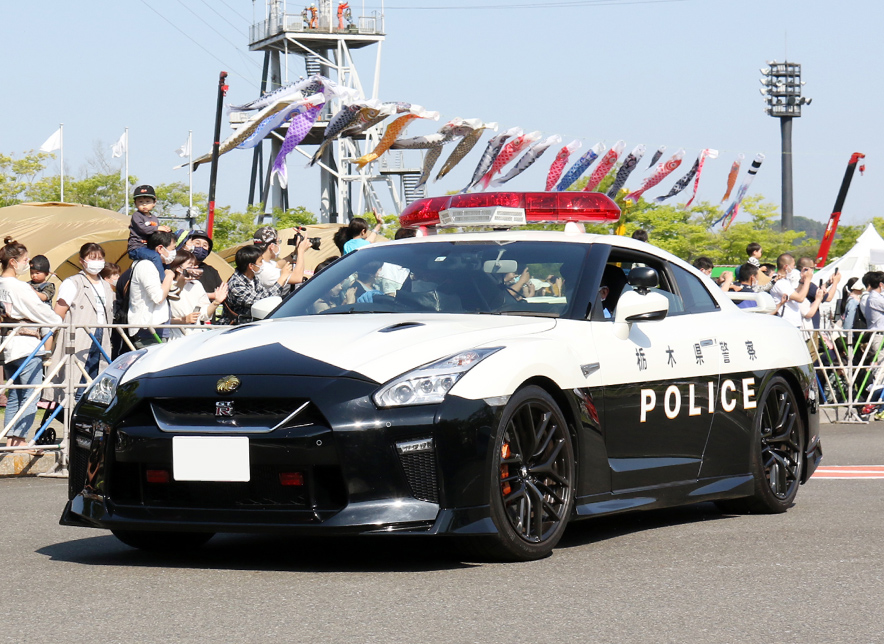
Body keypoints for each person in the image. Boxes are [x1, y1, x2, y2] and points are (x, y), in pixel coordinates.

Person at [0, 237, 63, 448]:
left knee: (15, 393)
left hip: (7, 343)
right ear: (13, 262)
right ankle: (18, 441)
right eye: (25, 259)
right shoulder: (19, 287)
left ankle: (10, 439)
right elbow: (42, 312)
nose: (28, 264)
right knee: (30, 394)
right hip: (26, 343)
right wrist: (56, 321)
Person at [50, 243, 114, 401]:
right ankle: (72, 418)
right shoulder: (73, 282)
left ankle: (86, 419)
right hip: (79, 336)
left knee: (95, 381)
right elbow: (59, 312)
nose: (97, 262)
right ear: (82, 261)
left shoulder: (107, 286)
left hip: (103, 336)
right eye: (92, 258)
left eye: (100, 258)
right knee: (76, 380)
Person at [221, 245, 293, 325]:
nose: (262, 265)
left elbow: (265, 294)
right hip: (234, 327)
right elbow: (260, 301)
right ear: (251, 266)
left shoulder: (254, 278)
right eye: (260, 261)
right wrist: (282, 279)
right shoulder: (236, 284)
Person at [127, 230, 176, 348]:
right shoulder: (146, 265)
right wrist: (169, 277)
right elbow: (158, 297)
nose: (175, 252)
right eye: (172, 248)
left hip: (157, 328)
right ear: (160, 248)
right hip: (148, 330)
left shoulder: (158, 267)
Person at [167, 250, 228, 338]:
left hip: (196, 335)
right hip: (175, 337)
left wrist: (216, 302)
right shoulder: (168, 285)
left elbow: (203, 315)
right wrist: (183, 320)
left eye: (195, 265)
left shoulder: (196, 284)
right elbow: (161, 319)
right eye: (190, 265)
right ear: (178, 267)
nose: (195, 268)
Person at [127, 185, 170, 279]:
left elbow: (156, 234)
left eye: (147, 201)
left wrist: (165, 230)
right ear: (135, 203)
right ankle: (162, 281)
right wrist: (157, 228)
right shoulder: (137, 215)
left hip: (149, 248)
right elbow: (142, 229)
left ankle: (170, 278)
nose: (144, 204)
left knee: (166, 257)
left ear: (154, 202)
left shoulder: (154, 218)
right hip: (137, 247)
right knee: (155, 256)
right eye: (140, 202)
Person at [770, 253, 812, 328]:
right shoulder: (779, 282)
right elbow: (800, 298)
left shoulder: (784, 280)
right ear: (786, 266)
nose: (793, 268)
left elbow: (795, 293)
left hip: (792, 322)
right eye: (793, 266)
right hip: (787, 322)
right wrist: (808, 280)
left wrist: (802, 281)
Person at [797, 256, 841, 329]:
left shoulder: (798, 283)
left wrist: (828, 283)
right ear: (806, 269)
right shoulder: (808, 285)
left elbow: (818, 291)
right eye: (813, 268)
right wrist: (835, 282)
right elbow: (828, 298)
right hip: (810, 326)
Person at [186, 230, 224, 301]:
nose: (201, 247)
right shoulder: (178, 267)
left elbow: (221, 293)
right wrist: (209, 295)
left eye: (205, 245)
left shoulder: (212, 271)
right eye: (197, 243)